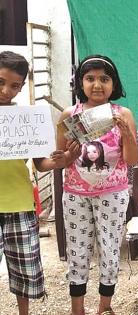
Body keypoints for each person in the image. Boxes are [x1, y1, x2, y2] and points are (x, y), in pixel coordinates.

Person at [56, 55, 138, 315]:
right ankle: (77, 309)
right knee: (78, 250)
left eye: (104, 79)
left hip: (112, 195)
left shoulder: (122, 114)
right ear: (81, 82)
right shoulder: (70, 115)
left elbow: (132, 160)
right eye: (90, 78)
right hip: (75, 195)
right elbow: (60, 160)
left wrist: (127, 135)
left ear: (114, 84)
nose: (97, 85)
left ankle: (105, 306)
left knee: (110, 248)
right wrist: (67, 153)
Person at [0, 51, 66, 315]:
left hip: (19, 203)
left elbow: (42, 163)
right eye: (1, 81)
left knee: (24, 270)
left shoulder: (26, 119)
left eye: (15, 85)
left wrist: (64, 158)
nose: (6, 90)